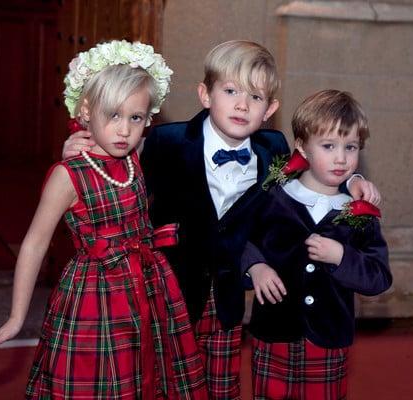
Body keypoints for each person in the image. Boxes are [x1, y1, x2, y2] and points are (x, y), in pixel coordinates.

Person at [63, 40, 381, 399]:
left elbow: (321, 165)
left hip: (229, 299)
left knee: (222, 389)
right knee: (168, 386)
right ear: (205, 94)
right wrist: (78, 148)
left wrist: (355, 181)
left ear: (270, 109)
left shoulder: (273, 148)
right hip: (171, 293)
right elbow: (120, 169)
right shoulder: (167, 141)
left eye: (256, 97)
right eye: (230, 91)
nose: (242, 105)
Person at [0, 40, 208, 399]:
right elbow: (35, 244)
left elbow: (197, 137)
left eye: (136, 118)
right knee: (97, 382)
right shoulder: (68, 175)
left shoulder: (135, 156)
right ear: (85, 111)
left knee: (149, 378)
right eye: (112, 115)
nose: (124, 130)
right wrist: (17, 317)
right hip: (95, 297)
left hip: (148, 285)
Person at [242, 89, 393, 400]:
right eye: (328, 146)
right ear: (303, 147)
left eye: (350, 147)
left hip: (328, 339)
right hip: (274, 333)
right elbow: (241, 237)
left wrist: (341, 257)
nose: (341, 158)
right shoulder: (274, 197)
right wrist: (255, 266)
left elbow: (379, 277)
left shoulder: (360, 213)